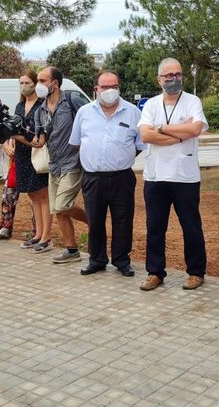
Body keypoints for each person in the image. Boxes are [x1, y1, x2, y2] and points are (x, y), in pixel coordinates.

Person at [138, 58, 209, 291]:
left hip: (185, 176)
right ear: (159, 79)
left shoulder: (192, 101)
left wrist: (163, 128)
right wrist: (180, 134)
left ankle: (196, 272)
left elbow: (195, 129)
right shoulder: (151, 105)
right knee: (155, 227)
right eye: (168, 76)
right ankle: (155, 272)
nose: (173, 79)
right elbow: (146, 136)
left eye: (177, 74)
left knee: (191, 226)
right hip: (156, 175)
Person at [69, 70, 144, 277]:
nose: (110, 91)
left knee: (123, 220)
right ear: (96, 89)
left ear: (119, 88)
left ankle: (121, 260)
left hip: (122, 177)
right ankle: (97, 259)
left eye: (114, 86)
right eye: (105, 87)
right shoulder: (84, 112)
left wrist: (119, 157)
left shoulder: (132, 112)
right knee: (95, 220)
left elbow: (138, 145)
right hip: (93, 178)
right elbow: (77, 143)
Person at [35, 66, 89, 262]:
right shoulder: (40, 110)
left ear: (54, 83)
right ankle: (71, 250)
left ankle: (94, 222)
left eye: (42, 81)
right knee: (58, 210)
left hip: (73, 163)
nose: (37, 85)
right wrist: (17, 136)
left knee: (62, 204)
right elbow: (40, 140)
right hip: (54, 164)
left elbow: (90, 120)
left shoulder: (72, 100)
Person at [11, 70, 52, 251]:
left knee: (43, 195)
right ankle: (37, 234)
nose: (23, 86)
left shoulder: (42, 106)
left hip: (38, 154)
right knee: (32, 195)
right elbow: (14, 128)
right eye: (21, 83)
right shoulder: (19, 106)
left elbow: (42, 135)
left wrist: (18, 137)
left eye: (27, 82)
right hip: (21, 155)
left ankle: (46, 237)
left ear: (35, 84)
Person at [0, 138, 35, 240]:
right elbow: (1, 130)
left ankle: (37, 231)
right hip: (16, 161)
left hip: (33, 159)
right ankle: (5, 227)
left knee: (35, 198)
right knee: (8, 195)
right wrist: (5, 146)